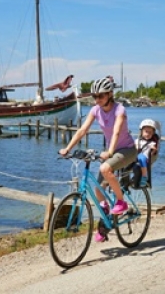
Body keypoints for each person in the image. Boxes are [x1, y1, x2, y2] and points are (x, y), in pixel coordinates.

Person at [59, 76, 137, 242]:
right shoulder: (95, 110)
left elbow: (116, 131)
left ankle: (121, 203)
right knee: (98, 189)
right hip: (111, 151)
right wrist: (68, 148)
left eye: (100, 96)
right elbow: (82, 130)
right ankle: (105, 220)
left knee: (104, 169)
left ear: (109, 94)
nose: (97, 99)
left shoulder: (119, 110)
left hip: (127, 150)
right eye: (95, 96)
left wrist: (109, 151)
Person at [135, 118, 160, 188]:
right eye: (146, 132)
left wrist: (154, 150)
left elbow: (154, 150)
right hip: (135, 157)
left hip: (145, 158)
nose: (148, 134)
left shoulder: (151, 143)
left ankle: (144, 175)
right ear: (141, 132)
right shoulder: (138, 141)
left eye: (150, 132)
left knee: (141, 157)